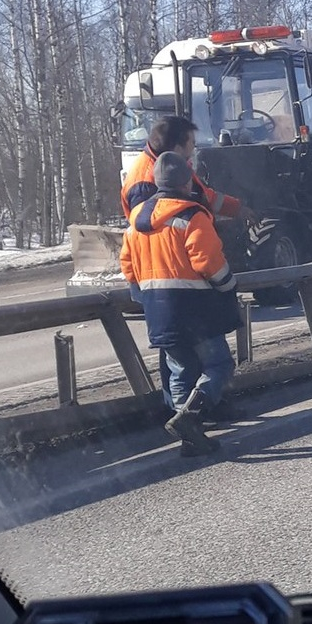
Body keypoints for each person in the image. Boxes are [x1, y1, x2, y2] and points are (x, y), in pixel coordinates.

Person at [119, 151, 240, 458]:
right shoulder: (192, 216)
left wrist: (143, 296)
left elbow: (128, 266)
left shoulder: (136, 222)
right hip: (195, 308)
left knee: (180, 370)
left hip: (158, 310)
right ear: (186, 182)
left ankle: (190, 438)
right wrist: (228, 285)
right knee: (220, 365)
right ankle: (190, 417)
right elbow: (209, 262)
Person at [120, 115, 246, 223]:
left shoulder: (173, 165)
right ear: (177, 148)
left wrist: (237, 208)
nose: (194, 148)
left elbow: (203, 195)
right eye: (192, 143)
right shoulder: (143, 186)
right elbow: (150, 235)